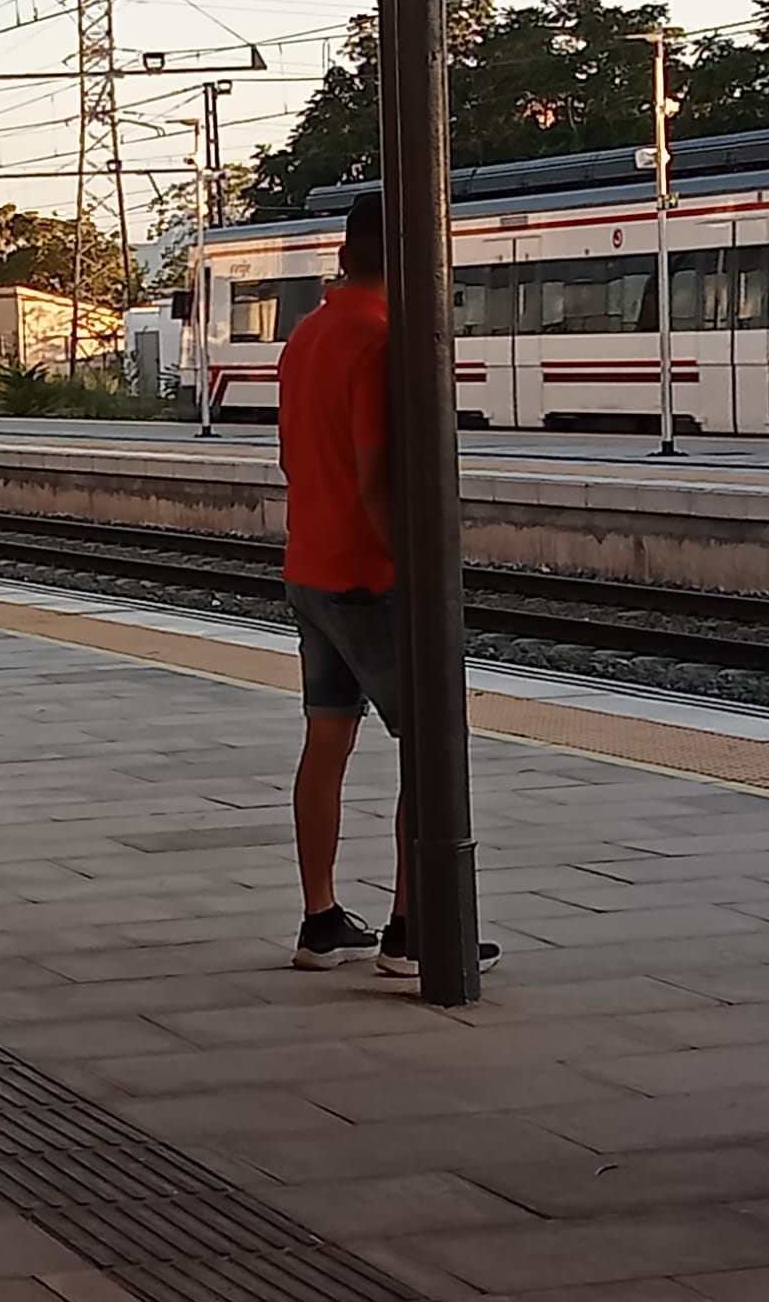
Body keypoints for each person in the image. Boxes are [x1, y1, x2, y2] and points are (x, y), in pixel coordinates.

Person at [277, 192, 496, 977]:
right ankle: (411, 928)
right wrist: (415, 569)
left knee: (326, 740)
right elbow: (377, 479)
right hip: (370, 577)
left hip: (309, 566)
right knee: (428, 749)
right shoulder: (382, 340)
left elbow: (295, 460)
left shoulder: (305, 335)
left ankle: (320, 918)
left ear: (344, 255)